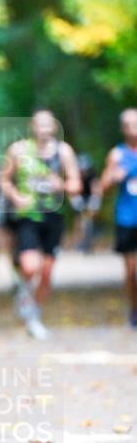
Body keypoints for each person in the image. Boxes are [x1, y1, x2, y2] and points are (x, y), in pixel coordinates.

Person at [0, 109, 81, 339]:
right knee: (28, 265)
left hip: (54, 217)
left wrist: (61, 185)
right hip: (28, 215)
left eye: (48, 125)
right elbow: (3, 179)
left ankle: (34, 316)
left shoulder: (63, 152)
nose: (43, 129)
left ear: (54, 127)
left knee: (46, 271)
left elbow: (76, 185)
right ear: (32, 127)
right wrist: (15, 196)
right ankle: (24, 291)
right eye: (39, 125)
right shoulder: (19, 150)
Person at [100, 108, 137, 328]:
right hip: (127, 218)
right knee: (132, 270)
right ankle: (134, 309)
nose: (133, 127)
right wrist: (113, 176)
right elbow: (102, 187)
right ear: (123, 128)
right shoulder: (117, 154)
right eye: (129, 124)